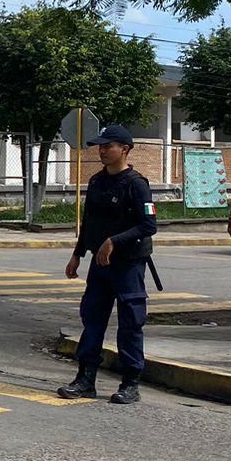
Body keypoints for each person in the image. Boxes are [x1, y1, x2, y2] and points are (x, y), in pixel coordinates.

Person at [57, 124, 157, 405]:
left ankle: (130, 383)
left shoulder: (137, 184)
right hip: (100, 267)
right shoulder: (97, 182)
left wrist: (115, 240)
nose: (102, 150)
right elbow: (89, 222)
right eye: (100, 146)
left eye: (108, 146)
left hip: (128, 265)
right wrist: (77, 254)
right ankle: (85, 379)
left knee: (130, 324)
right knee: (92, 320)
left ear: (124, 149)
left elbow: (149, 225)